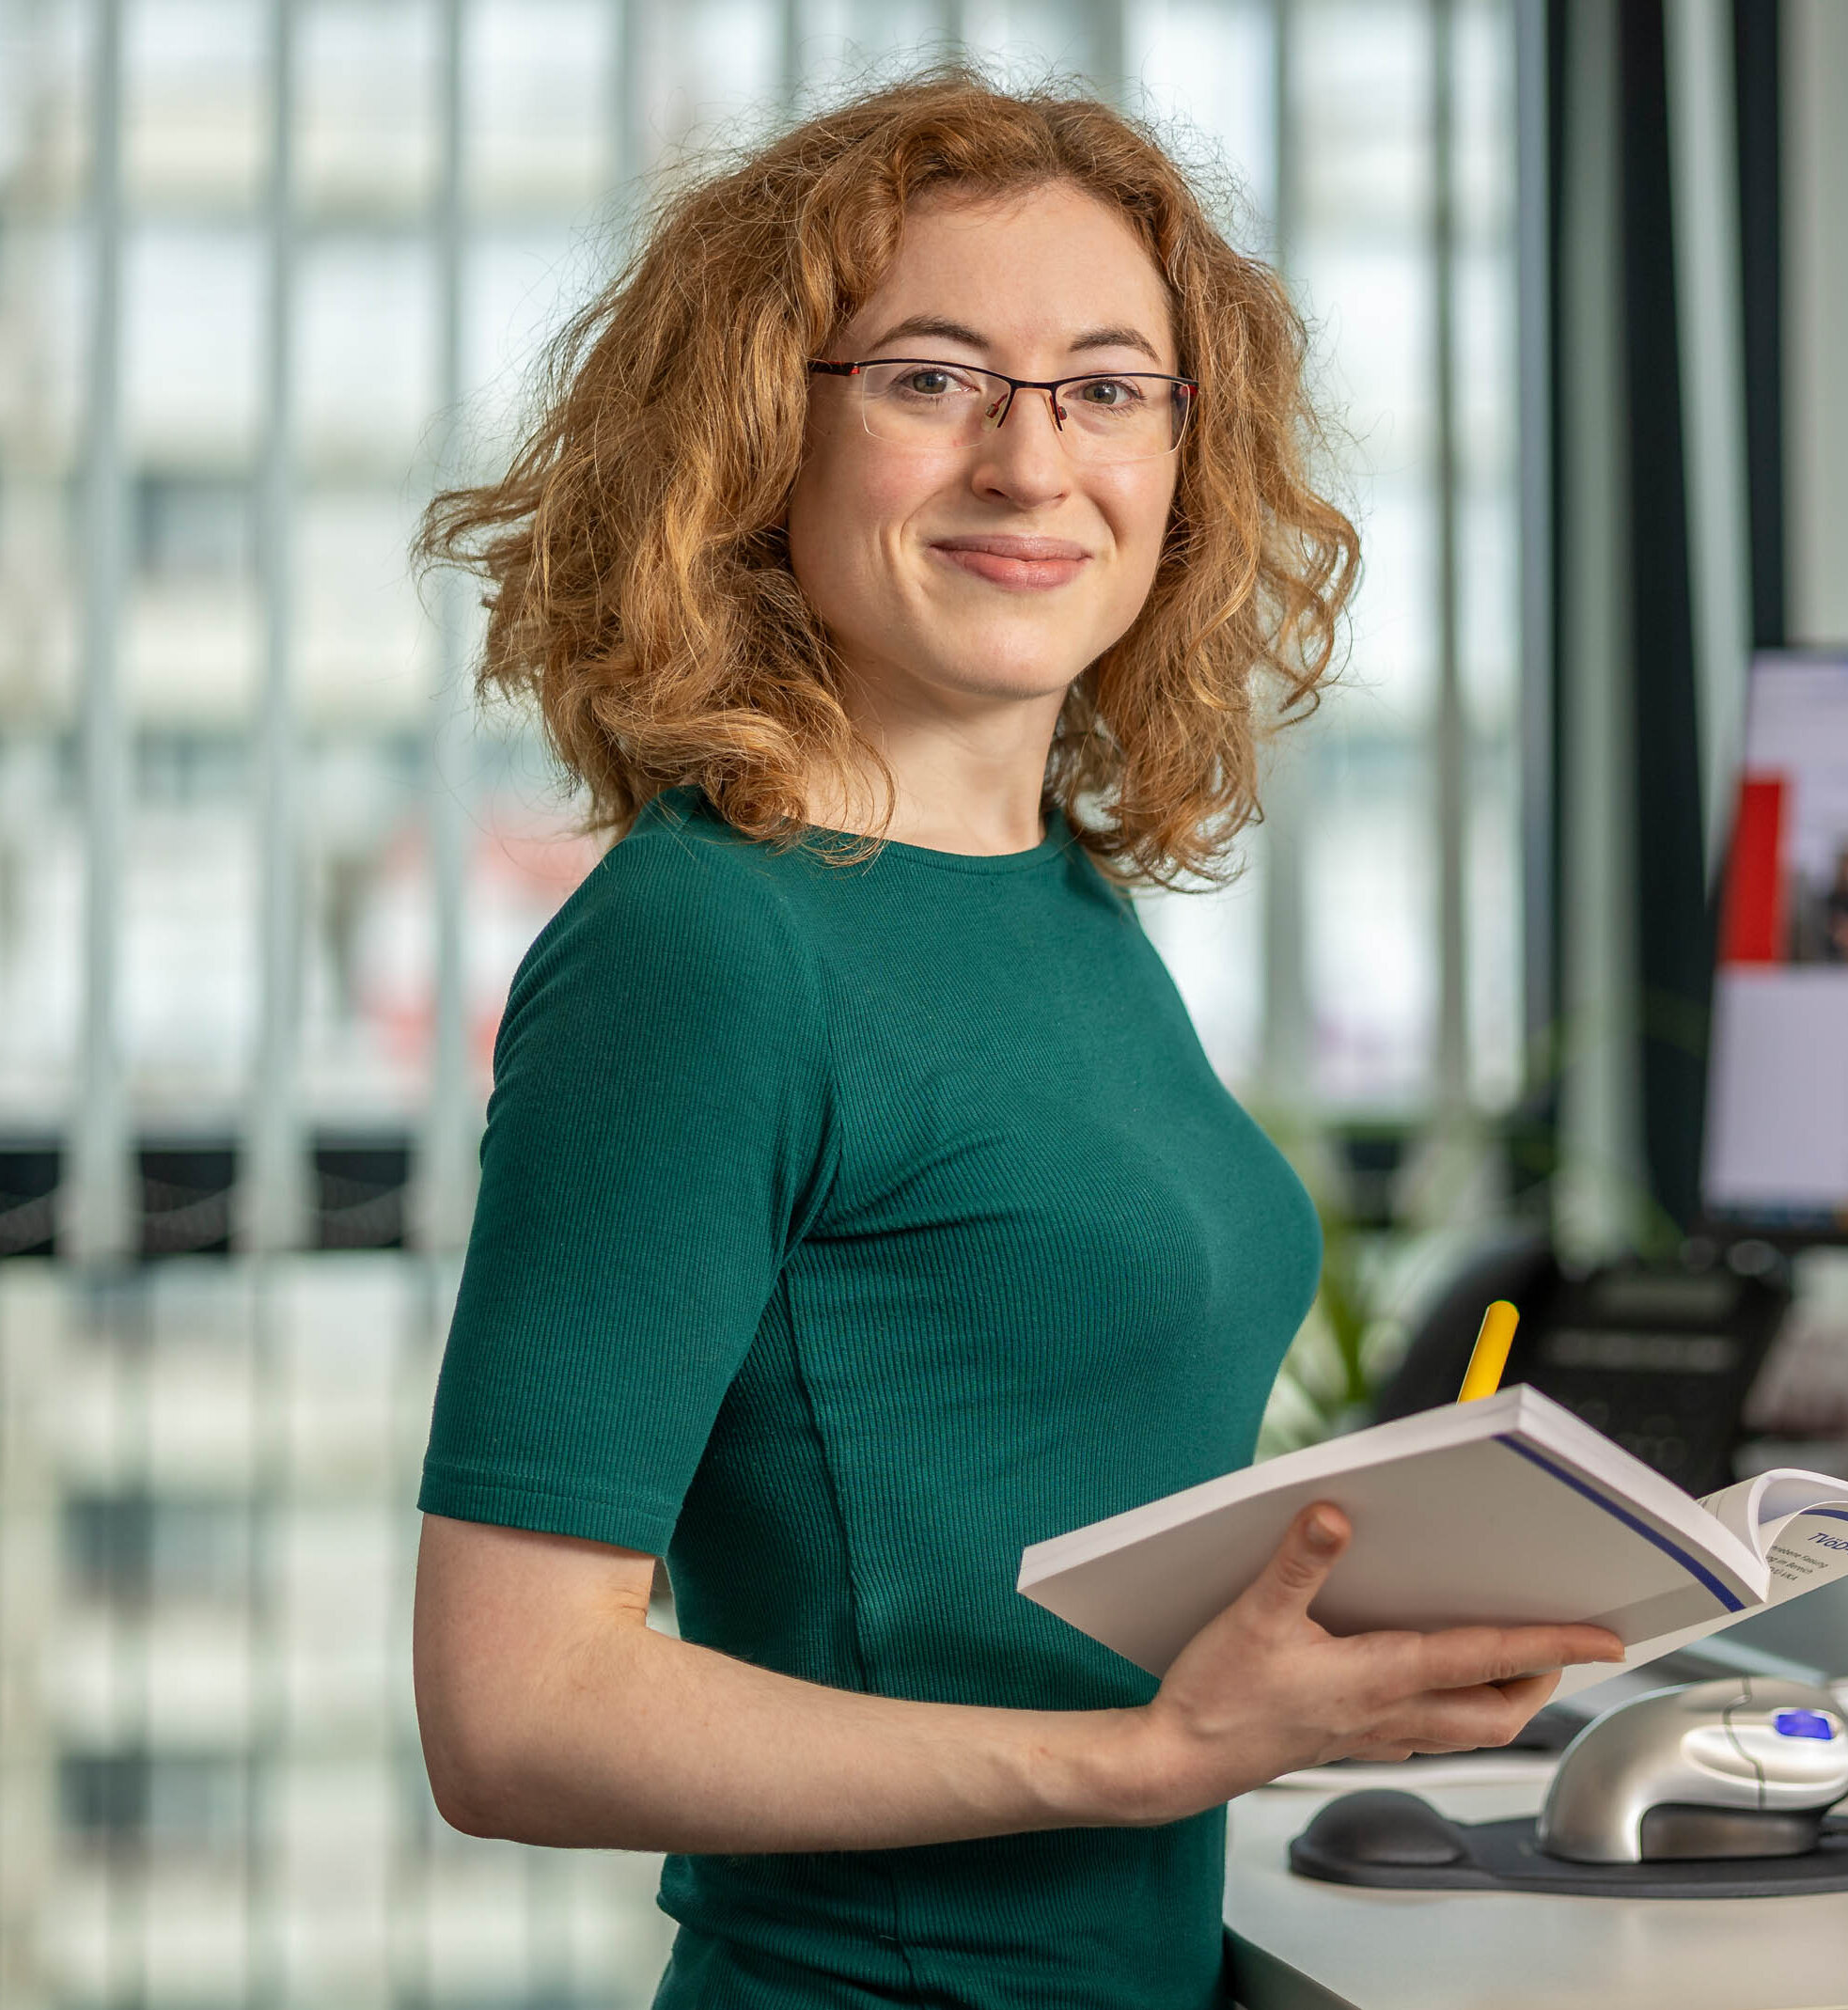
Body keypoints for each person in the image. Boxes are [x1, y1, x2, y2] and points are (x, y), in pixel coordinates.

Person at [408, 75, 1619, 2010]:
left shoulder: (1049, 891)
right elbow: (514, 1709)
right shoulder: (703, 950)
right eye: (930, 377)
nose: (1029, 463)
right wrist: (1141, 1761)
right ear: (753, 436)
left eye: (1107, 385)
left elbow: (991, 1504)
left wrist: (1350, 1624)